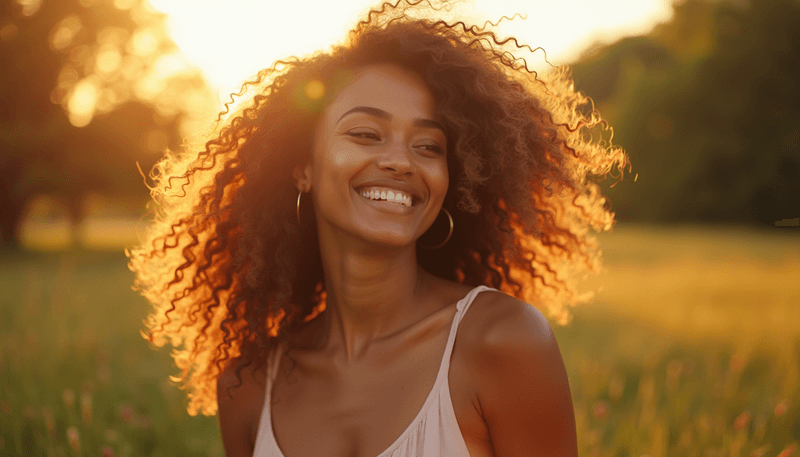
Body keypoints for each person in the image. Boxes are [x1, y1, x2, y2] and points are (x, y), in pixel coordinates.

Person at [128, 0, 628, 455]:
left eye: (428, 146)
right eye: (366, 134)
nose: (400, 162)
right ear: (302, 166)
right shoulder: (249, 384)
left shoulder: (503, 342)